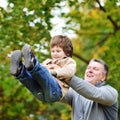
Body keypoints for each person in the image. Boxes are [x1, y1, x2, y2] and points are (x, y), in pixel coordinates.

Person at [10, 35, 76, 102]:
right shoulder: (47, 61)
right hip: (40, 93)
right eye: (53, 51)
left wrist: (54, 72)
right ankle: (20, 71)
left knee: (39, 70)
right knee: (31, 78)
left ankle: (33, 62)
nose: (55, 54)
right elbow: (38, 74)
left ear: (67, 53)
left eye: (58, 51)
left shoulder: (68, 61)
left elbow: (69, 72)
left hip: (55, 91)